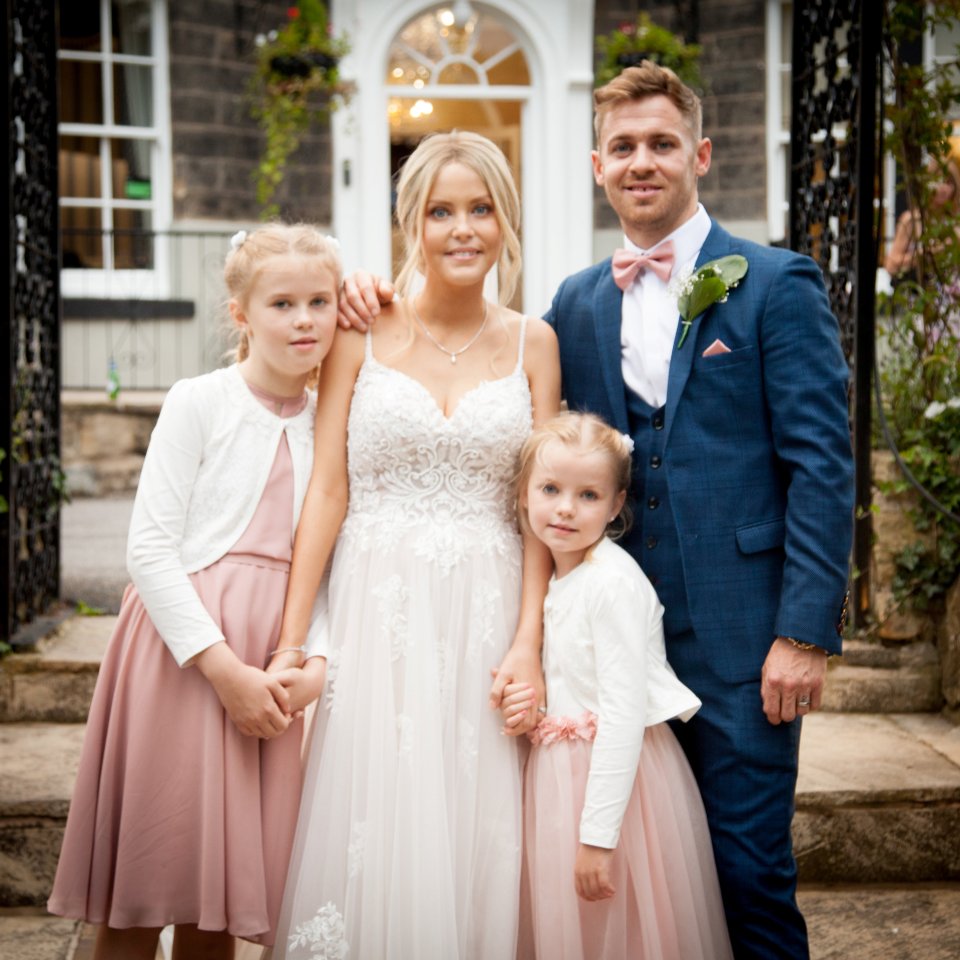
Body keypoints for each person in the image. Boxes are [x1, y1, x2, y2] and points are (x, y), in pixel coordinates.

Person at [340, 64, 855, 960]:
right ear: (596, 165)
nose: (641, 162)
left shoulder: (778, 283)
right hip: (595, 641)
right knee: (632, 873)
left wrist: (804, 633)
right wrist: (366, 292)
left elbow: (822, 463)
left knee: (748, 872)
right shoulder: (573, 306)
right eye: (623, 147)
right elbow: (476, 359)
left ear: (698, 153)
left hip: (740, 639)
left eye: (661, 144)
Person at [269, 131, 560, 959]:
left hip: (488, 609)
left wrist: (529, 641)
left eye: (481, 209)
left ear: (507, 221)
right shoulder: (359, 332)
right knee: (379, 815)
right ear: (411, 224)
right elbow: (328, 488)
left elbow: (537, 507)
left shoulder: (534, 343)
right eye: (441, 211)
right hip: (377, 609)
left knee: (476, 817)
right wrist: (295, 640)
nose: (462, 229)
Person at [47, 224, 340, 960]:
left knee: (219, 909)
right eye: (282, 303)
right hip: (183, 657)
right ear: (240, 314)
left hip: (271, 659)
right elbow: (148, 548)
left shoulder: (334, 425)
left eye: (320, 301)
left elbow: (335, 559)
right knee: (146, 889)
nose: (304, 319)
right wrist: (222, 668)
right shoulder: (199, 401)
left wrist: (313, 665)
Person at [502, 411, 732, 960]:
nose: (564, 508)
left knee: (622, 931)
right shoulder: (557, 578)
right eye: (551, 489)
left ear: (616, 503)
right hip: (561, 782)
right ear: (524, 493)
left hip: (618, 793)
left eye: (588, 495)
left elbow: (624, 715)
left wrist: (598, 838)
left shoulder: (611, 584)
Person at [884, 154, 960, 277]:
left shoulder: (955, 222)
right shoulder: (913, 220)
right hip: (922, 292)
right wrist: (930, 253)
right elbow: (890, 265)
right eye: (939, 180)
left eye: (949, 183)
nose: (944, 188)